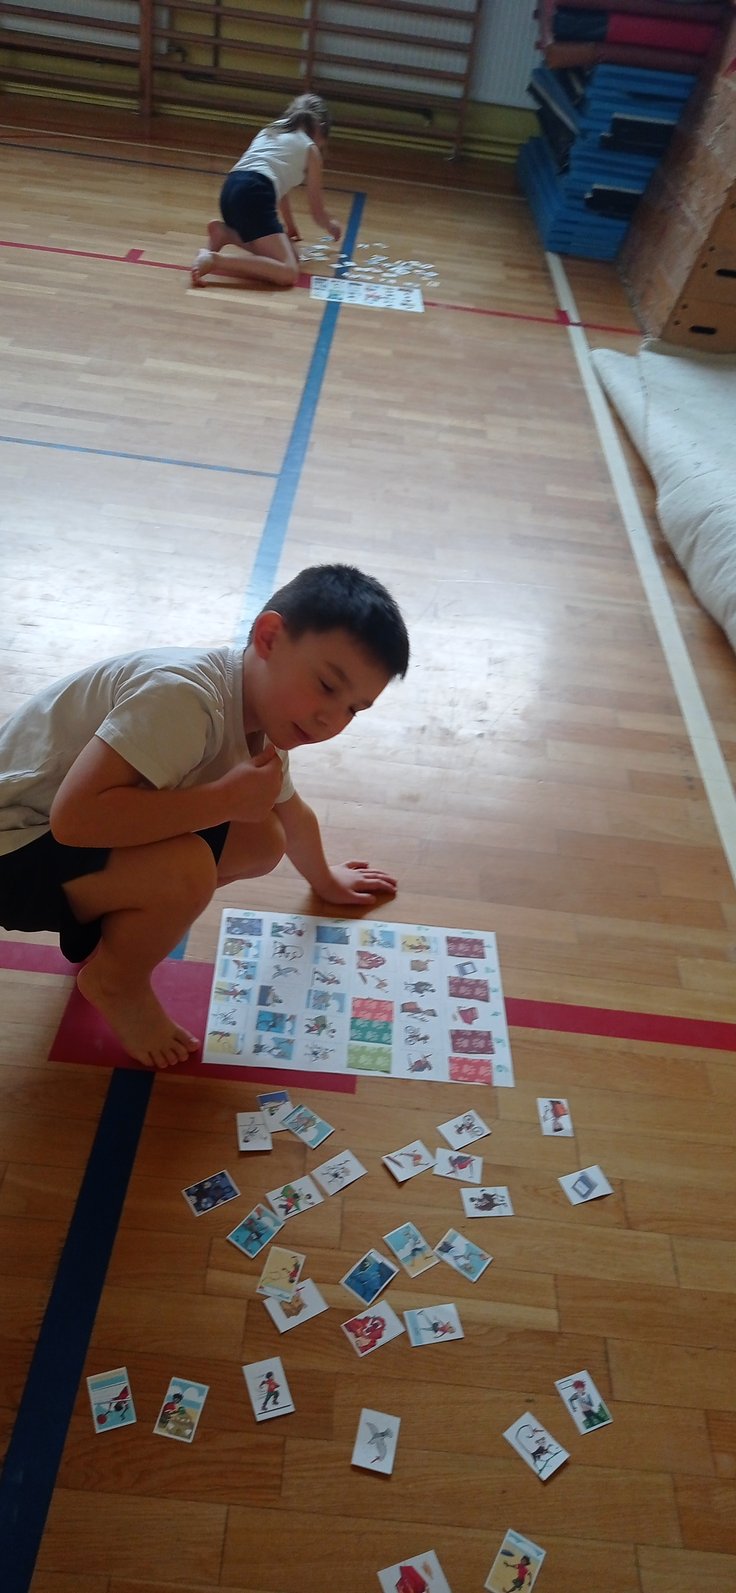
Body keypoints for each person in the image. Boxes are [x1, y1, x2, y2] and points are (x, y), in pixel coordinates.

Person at [0, 563, 409, 1069]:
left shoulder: (263, 712)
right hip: (14, 846)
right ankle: (116, 981)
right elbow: (74, 819)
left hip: (62, 835)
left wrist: (325, 880)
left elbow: (292, 814)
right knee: (187, 868)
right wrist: (223, 800)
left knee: (263, 838)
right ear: (269, 637)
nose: (332, 719)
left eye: (354, 709)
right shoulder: (184, 698)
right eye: (327, 685)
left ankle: (119, 929)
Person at [190, 92, 341, 290]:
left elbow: (280, 187)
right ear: (321, 128)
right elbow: (317, 212)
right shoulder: (310, 149)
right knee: (288, 272)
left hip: (231, 188)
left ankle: (224, 233)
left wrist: (290, 225)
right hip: (255, 194)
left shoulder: (272, 129)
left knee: (293, 256)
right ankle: (215, 259)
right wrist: (330, 225)